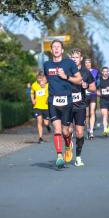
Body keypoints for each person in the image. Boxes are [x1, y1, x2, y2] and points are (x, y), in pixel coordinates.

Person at [44, 40, 82, 168]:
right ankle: (59, 156)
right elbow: (46, 79)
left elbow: (79, 80)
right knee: (57, 129)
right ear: (51, 50)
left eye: (58, 47)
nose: (56, 49)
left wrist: (66, 77)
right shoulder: (46, 65)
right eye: (54, 47)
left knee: (66, 131)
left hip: (67, 101)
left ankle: (67, 145)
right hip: (53, 101)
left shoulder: (69, 63)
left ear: (62, 50)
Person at [69, 49, 96, 166]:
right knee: (68, 131)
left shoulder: (86, 72)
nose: (75, 59)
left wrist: (86, 86)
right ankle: (67, 144)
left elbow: (94, 88)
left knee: (79, 133)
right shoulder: (67, 70)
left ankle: (78, 157)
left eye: (77, 57)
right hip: (67, 104)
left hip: (80, 105)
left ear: (81, 59)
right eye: (73, 57)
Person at [31, 71, 51, 144]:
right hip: (37, 106)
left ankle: (48, 126)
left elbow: (51, 92)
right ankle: (40, 137)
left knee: (46, 123)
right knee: (39, 121)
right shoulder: (34, 85)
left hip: (46, 107)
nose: (39, 80)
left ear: (44, 78)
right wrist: (33, 99)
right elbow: (32, 93)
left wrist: (48, 98)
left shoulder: (48, 85)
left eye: (41, 78)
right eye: (38, 78)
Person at [84, 58, 99, 139]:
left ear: (91, 63)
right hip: (85, 94)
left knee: (92, 112)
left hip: (93, 93)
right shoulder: (82, 71)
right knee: (86, 114)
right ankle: (88, 129)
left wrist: (97, 89)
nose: (87, 64)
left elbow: (98, 81)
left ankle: (91, 131)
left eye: (89, 62)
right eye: (86, 62)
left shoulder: (95, 71)